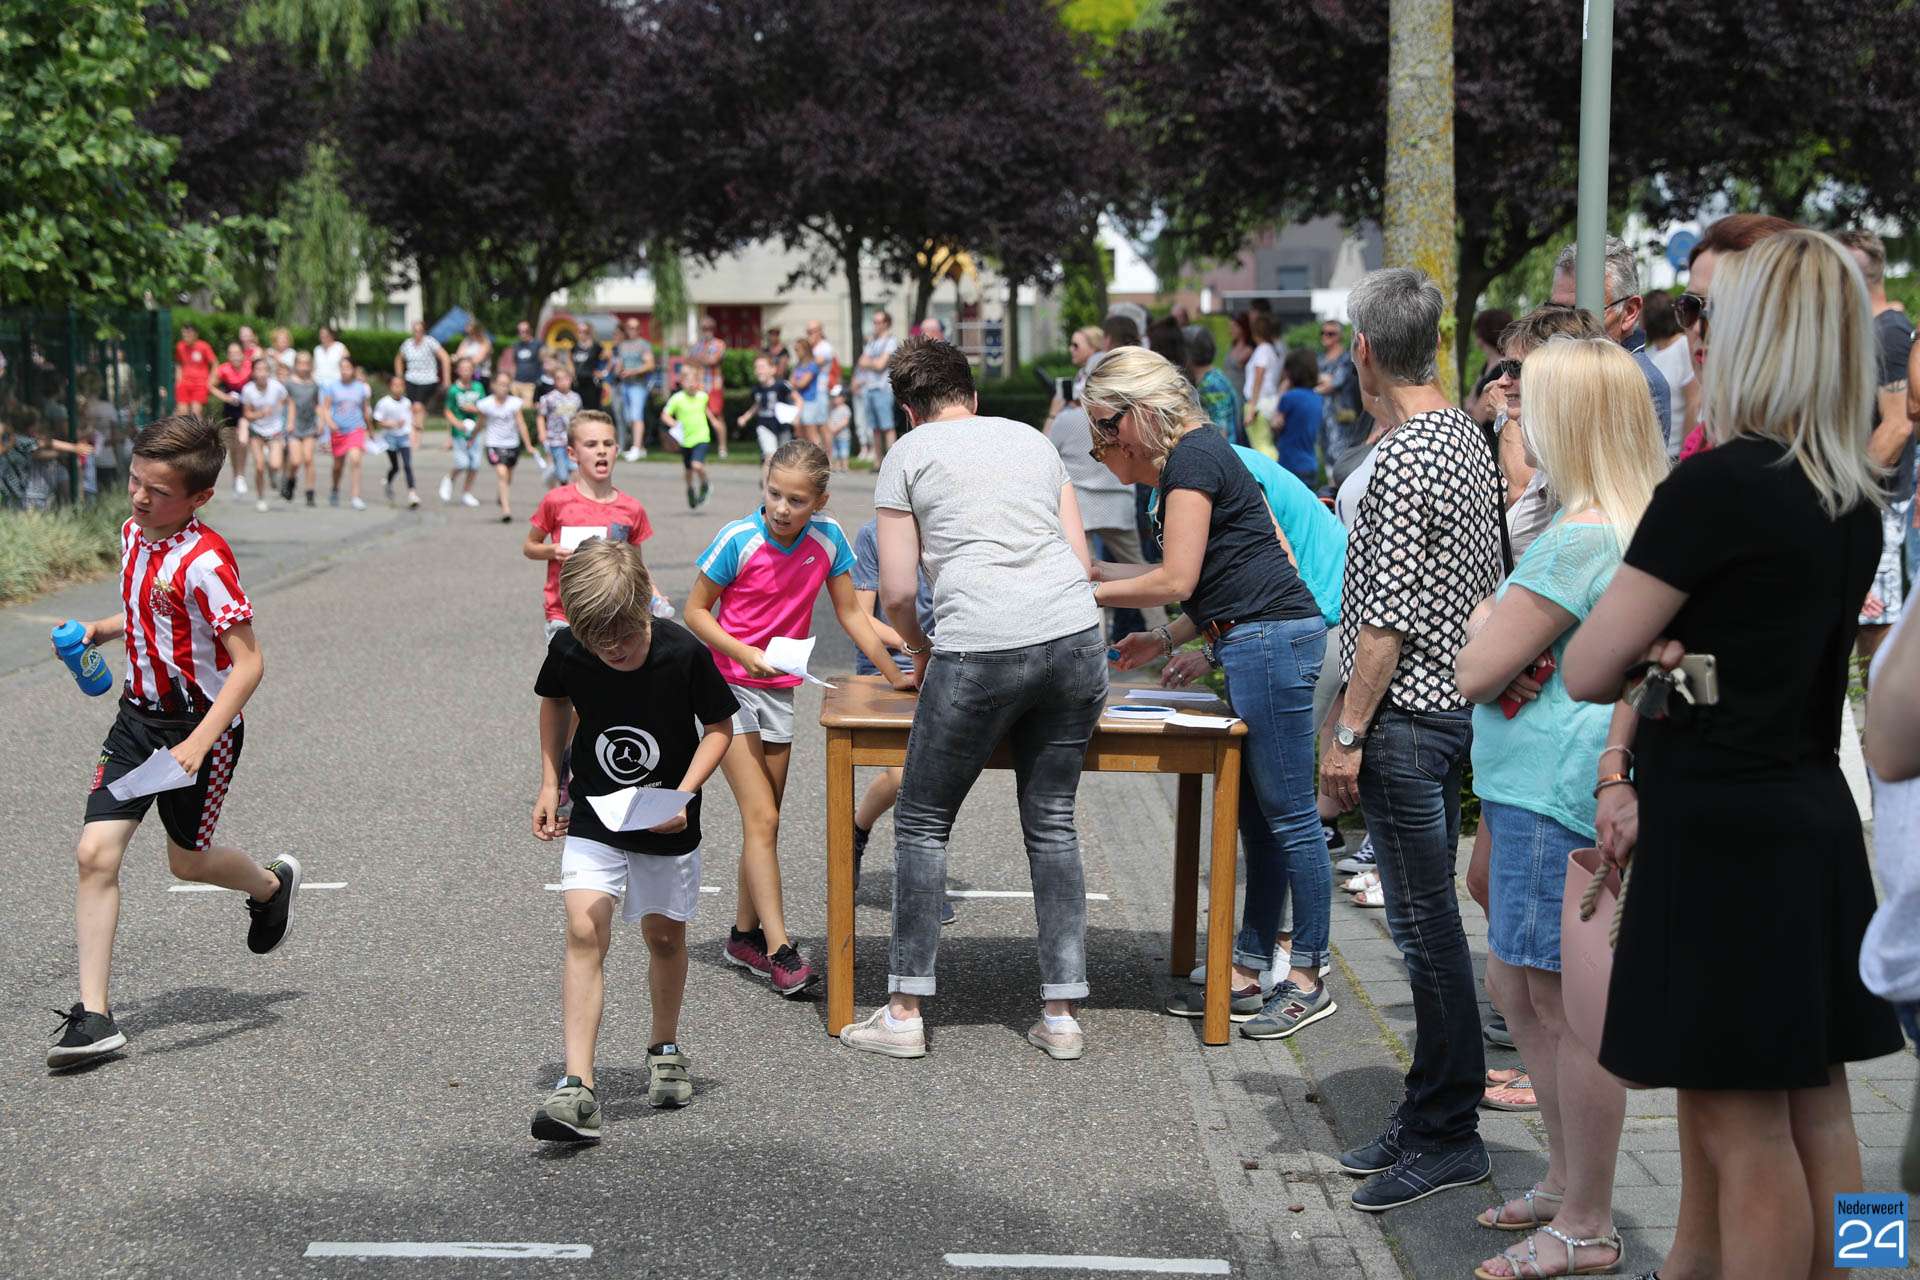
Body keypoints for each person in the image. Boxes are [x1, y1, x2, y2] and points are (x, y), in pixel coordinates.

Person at [1563, 229, 1904, 1280]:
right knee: (1826, 1106)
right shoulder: (1852, 495)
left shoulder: (1717, 488)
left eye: (1712, 314)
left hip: (1722, 833)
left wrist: (1653, 655)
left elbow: (1586, 666)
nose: (1695, 331)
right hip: (1812, 817)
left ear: (1757, 336)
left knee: (1740, 1131)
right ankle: (1874, 1269)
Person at [1453, 337, 1670, 1278]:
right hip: (1542, 784)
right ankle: (1563, 1182)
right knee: (1520, 986)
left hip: (1549, 788)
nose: (1513, 418)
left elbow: (1475, 667)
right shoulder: (1619, 523)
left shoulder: (1583, 535)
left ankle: (1585, 1217)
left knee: (1558, 1002)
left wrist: (1481, 622)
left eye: (1525, 403)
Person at [839, 337, 1103, 1063]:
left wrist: (918, 648)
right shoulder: (1032, 441)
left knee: (923, 821)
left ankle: (904, 1011)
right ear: (973, 395)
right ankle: (1061, 1015)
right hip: (1074, 637)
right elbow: (1080, 561)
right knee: (1052, 822)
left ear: (907, 410)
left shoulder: (907, 454)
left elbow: (896, 592)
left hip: (978, 644)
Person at [1320, 267, 1505, 1212]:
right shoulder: (1466, 435)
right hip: (1450, 708)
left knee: (1425, 933)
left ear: (1363, 350)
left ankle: (1448, 1131)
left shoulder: (1401, 458)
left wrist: (1347, 732)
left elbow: (1383, 624)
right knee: (1429, 928)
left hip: (1405, 720)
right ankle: (1431, 1108)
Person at [1087, 346, 1336, 1041]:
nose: (1103, 442)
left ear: (1142, 410)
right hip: (1255, 639)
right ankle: (1251, 967)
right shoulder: (1197, 454)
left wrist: (1084, 590)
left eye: (1107, 424)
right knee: (1259, 816)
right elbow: (1229, 573)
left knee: (1290, 817)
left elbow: (1177, 578)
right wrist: (1161, 633)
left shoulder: (1193, 458)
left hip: (1269, 642)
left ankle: (1309, 975)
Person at [45, 414, 299, 1069]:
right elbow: (146, 612)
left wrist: (199, 744)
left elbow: (248, 663)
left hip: (198, 732)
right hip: (136, 722)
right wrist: (100, 630)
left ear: (198, 497)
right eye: (134, 481)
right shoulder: (134, 533)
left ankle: (270, 888)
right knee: (94, 854)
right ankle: (94, 1017)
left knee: (187, 862)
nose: (138, 497)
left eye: (156, 491)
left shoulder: (207, 561)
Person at [685, 440, 912, 1001]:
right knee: (761, 817)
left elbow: (852, 614)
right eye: (774, 494)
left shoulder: (829, 539)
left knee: (766, 823)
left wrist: (896, 673)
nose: (782, 509)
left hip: (779, 691)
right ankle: (781, 951)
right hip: (727, 687)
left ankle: (743, 937)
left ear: (820, 501)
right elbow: (695, 611)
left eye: (797, 500)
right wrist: (741, 653)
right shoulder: (737, 539)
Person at [529, 540, 736, 1136]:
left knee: (664, 937)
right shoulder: (570, 647)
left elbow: (719, 728)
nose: (611, 650)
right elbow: (554, 701)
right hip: (595, 813)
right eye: (597, 641)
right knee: (583, 929)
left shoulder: (682, 653)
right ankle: (578, 1087)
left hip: (664, 816)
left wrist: (683, 796)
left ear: (643, 606)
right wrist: (549, 782)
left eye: (621, 636)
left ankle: (663, 1047)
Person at [846, 513, 953, 925]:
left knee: (931, 777)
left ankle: (856, 831)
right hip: (888, 668)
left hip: (945, 664)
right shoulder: (873, 534)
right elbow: (862, 616)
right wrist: (916, 645)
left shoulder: (954, 524)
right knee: (907, 774)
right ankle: (918, 880)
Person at [1836, 228, 1916, 665]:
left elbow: (1898, 426)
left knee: (1876, 628)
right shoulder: (1866, 331)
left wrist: (1845, 492)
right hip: (1863, 500)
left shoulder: (1889, 333)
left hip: (1877, 502)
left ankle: (1880, 713)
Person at [1048, 347, 1168, 639]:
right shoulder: (1125, 418)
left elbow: (1046, 451)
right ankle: (1163, 631)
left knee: (1084, 576)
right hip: (1118, 503)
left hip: (1080, 507)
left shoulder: (1066, 419)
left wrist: (1053, 411)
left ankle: (1096, 644)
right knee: (1141, 567)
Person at [1671, 214, 1800, 460]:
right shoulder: (1701, 446)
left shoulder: (1790, 462)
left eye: (1725, 307)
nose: (1699, 327)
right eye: (1690, 306)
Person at [524, 410, 657, 643]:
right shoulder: (556, 500)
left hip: (615, 615)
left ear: (616, 450)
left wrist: (654, 597)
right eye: (591, 445)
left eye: (608, 443)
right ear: (572, 453)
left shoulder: (631, 508)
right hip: (565, 616)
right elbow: (530, 546)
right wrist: (553, 550)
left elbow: (637, 565)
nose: (601, 450)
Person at [1549, 236, 1672, 440]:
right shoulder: (1555, 365)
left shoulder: (1640, 382)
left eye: (1580, 313)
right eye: (1555, 310)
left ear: (1629, 311)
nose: (1563, 326)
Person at [1638, 290, 1699, 456]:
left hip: (1675, 451)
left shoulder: (1683, 347)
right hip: (1652, 453)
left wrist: (1686, 452)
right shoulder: (1649, 353)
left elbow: (1693, 401)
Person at [477, 369, 538, 524]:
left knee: (508, 476)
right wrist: (471, 438)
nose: (503, 388)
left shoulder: (514, 403)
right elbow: (480, 423)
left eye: (506, 385)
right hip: (494, 444)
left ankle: (501, 495)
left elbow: (521, 424)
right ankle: (506, 509)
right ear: (493, 385)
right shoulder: (486, 404)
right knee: (502, 474)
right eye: (500, 384)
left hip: (512, 444)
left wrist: (528, 445)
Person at [662, 364, 722, 510]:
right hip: (685, 440)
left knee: (697, 465)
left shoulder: (702, 396)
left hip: (701, 436)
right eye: (687, 381)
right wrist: (674, 424)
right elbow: (665, 415)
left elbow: (705, 409)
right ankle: (690, 489)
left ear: (698, 382)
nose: (691, 384)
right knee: (688, 470)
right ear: (682, 382)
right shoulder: (677, 398)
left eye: (694, 380)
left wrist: (714, 421)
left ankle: (705, 484)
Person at [1316, 319, 1372, 468]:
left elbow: (1335, 382)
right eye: (1323, 333)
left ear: (1339, 336)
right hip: (1321, 414)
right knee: (1325, 453)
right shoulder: (1320, 357)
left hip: (1340, 415)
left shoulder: (1346, 357)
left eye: (1330, 333)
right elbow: (1313, 379)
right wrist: (1325, 379)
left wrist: (1321, 380)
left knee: (1340, 455)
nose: (1325, 336)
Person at [238, 360, 289, 513]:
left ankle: (273, 472)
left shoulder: (277, 387)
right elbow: (247, 414)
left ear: (269, 372)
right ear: (253, 372)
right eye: (258, 370)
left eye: (265, 370)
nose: (261, 373)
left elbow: (289, 402)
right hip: (256, 430)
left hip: (274, 429)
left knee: (275, 465)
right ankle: (260, 498)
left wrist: (289, 421)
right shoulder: (248, 389)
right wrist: (260, 414)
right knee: (259, 466)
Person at [319, 356, 370, 510]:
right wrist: (329, 423)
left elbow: (365, 410)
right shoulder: (332, 386)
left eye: (347, 367)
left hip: (356, 428)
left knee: (355, 460)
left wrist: (370, 430)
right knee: (338, 466)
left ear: (353, 369)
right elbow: (325, 408)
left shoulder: (360, 387)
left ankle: (356, 497)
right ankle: (335, 489)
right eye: (342, 367)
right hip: (338, 430)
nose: (344, 371)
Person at [738, 355, 797, 480]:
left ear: (772, 369)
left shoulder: (781, 386)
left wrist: (797, 416)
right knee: (769, 456)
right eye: (756, 368)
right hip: (764, 425)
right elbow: (757, 405)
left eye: (762, 367)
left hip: (782, 426)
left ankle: (782, 484)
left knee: (784, 458)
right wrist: (745, 417)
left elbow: (798, 400)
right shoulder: (756, 389)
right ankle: (766, 488)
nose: (759, 370)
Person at [439, 354, 486, 507]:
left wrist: (475, 409)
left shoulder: (478, 387)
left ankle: (466, 492)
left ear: (473, 371)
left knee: (475, 464)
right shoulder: (454, 390)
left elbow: (484, 408)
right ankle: (449, 479)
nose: (466, 371)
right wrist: (456, 423)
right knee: (462, 463)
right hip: (459, 431)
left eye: (468, 368)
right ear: (457, 371)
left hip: (475, 431)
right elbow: (447, 411)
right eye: (463, 368)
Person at [395, 319, 450, 445]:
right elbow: (398, 359)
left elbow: (445, 358)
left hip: (428, 379)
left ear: (424, 331)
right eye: (415, 330)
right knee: (412, 408)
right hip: (411, 378)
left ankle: (417, 437)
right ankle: (412, 434)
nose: (417, 333)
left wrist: (446, 379)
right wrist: (399, 377)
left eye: (420, 330)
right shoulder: (407, 344)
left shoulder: (430, 342)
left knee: (418, 406)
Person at [1274, 348, 1324, 488]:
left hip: (1290, 464)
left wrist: (1282, 390)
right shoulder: (1317, 397)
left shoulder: (1289, 397)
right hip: (1310, 463)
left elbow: (1275, 423)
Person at [856, 309, 901, 461]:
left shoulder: (891, 341)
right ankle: (878, 461)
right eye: (874, 322)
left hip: (883, 389)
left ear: (886, 323)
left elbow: (881, 365)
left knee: (887, 426)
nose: (876, 325)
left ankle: (892, 459)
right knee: (874, 428)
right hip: (870, 388)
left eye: (879, 322)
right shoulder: (872, 342)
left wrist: (871, 362)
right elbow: (861, 362)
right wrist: (873, 363)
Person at [210, 342, 253, 497]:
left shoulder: (249, 368)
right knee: (233, 447)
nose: (235, 356)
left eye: (237, 353)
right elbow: (211, 386)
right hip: (230, 411)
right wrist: (226, 397)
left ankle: (241, 475)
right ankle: (237, 477)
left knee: (243, 441)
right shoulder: (224, 369)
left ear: (243, 354)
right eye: (231, 353)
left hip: (245, 411)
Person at [372, 374, 419, 508]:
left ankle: (412, 494)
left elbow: (409, 421)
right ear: (390, 387)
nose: (398, 388)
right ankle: (388, 481)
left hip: (403, 437)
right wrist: (394, 424)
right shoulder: (384, 403)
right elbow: (379, 421)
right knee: (395, 467)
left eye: (400, 386)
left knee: (407, 466)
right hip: (390, 438)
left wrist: (413, 435)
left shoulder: (407, 402)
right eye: (395, 385)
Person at [613, 317, 656, 461]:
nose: (632, 331)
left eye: (635, 328)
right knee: (629, 417)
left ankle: (636, 448)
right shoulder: (623, 345)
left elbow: (650, 365)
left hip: (638, 385)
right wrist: (618, 371)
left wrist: (633, 371)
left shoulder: (643, 345)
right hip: (625, 384)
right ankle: (640, 447)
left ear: (639, 330)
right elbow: (620, 362)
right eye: (629, 327)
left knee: (636, 416)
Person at [1241, 311, 1284, 457]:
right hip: (1269, 401)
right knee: (1266, 442)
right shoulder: (1274, 350)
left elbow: (1258, 378)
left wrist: (1251, 408)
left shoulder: (1262, 350)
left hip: (1259, 403)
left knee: (1261, 445)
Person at [1465, 309, 1514, 429]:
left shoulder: (1502, 370)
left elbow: (1477, 416)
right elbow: (1468, 402)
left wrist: (1473, 407)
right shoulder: (1488, 365)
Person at [284, 351, 321, 506]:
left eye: (307, 364)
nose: (304, 367)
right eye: (301, 363)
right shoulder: (289, 384)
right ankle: (290, 480)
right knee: (295, 460)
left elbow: (317, 404)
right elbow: (284, 405)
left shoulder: (314, 385)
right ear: (295, 365)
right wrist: (287, 422)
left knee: (308, 458)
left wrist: (321, 422)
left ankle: (310, 492)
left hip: (309, 425)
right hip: (294, 425)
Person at [539, 366, 585, 490]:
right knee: (563, 475)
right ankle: (561, 489)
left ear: (570, 379)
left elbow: (579, 416)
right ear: (554, 381)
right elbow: (541, 416)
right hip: (556, 440)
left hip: (571, 440)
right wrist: (542, 432)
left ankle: (575, 495)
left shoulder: (576, 397)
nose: (563, 382)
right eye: (559, 379)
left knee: (576, 470)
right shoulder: (549, 398)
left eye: (565, 379)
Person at [691, 317, 728, 458]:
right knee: (697, 415)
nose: (707, 331)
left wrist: (699, 360)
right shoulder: (696, 344)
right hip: (699, 385)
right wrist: (703, 360)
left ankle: (722, 447)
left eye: (710, 328)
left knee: (717, 414)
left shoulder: (719, 344)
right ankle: (697, 446)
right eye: (705, 328)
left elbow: (713, 360)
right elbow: (689, 361)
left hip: (714, 385)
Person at [174, 323, 217, 417]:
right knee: (182, 412)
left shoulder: (204, 346)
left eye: (188, 333)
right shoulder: (180, 346)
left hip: (200, 384)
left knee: (196, 412)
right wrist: (178, 379)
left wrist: (211, 380)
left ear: (195, 334)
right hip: (184, 383)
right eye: (184, 333)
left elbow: (214, 363)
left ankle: (199, 427)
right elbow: (178, 363)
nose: (185, 336)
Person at [790, 336, 824, 451]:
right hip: (799, 402)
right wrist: (796, 383)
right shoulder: (798, 365)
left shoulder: (812, 365)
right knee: (800, 433)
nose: (796, 352)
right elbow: (790, 382)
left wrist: (796, 383)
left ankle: (821, 457)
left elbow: (803, 383)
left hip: (809, 402)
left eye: (798, 349)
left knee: (811, 433)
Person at [508, 320, 544, 408]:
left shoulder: (538, 345)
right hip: (516, 382)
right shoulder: (516, 346)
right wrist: (511, 379)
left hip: (530, 384)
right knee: (512, 407)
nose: (523, 334)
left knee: (526, 408)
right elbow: (514, 363)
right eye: (520, 331)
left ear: (531, 331)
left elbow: (544, 361)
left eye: (525, 331)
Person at [570, 322, 604, 415]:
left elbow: (610, 357)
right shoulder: (575, 346)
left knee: (592, 411)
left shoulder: (596, 346)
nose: (582, 334)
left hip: (591, 382)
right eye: (579, 331)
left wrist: (604, 372)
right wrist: (572, 371)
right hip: (577, 382)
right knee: (577, 410)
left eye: (585, 332)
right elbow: (568, 357)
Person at [312, 325, 349, 392]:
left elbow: (348, 364)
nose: (323, 336)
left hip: (336, 383)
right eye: (321, 334)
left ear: (331, 335)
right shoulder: (317, 349)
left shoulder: (340, 347)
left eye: (325, 334)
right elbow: (314, 367)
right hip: (319, 384)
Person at [827, 385, 853, 473]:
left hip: (844, 436)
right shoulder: (833, 409)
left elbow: (846, 421)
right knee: (836, 452)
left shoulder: (845, 409)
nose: (834, 399)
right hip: (835, 436)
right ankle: (837, 466)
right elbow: (830, 420)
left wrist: (836, 429)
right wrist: (831, 428)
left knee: (844, 452)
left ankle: (845, 466)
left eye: (836, 397)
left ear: (843, 397)